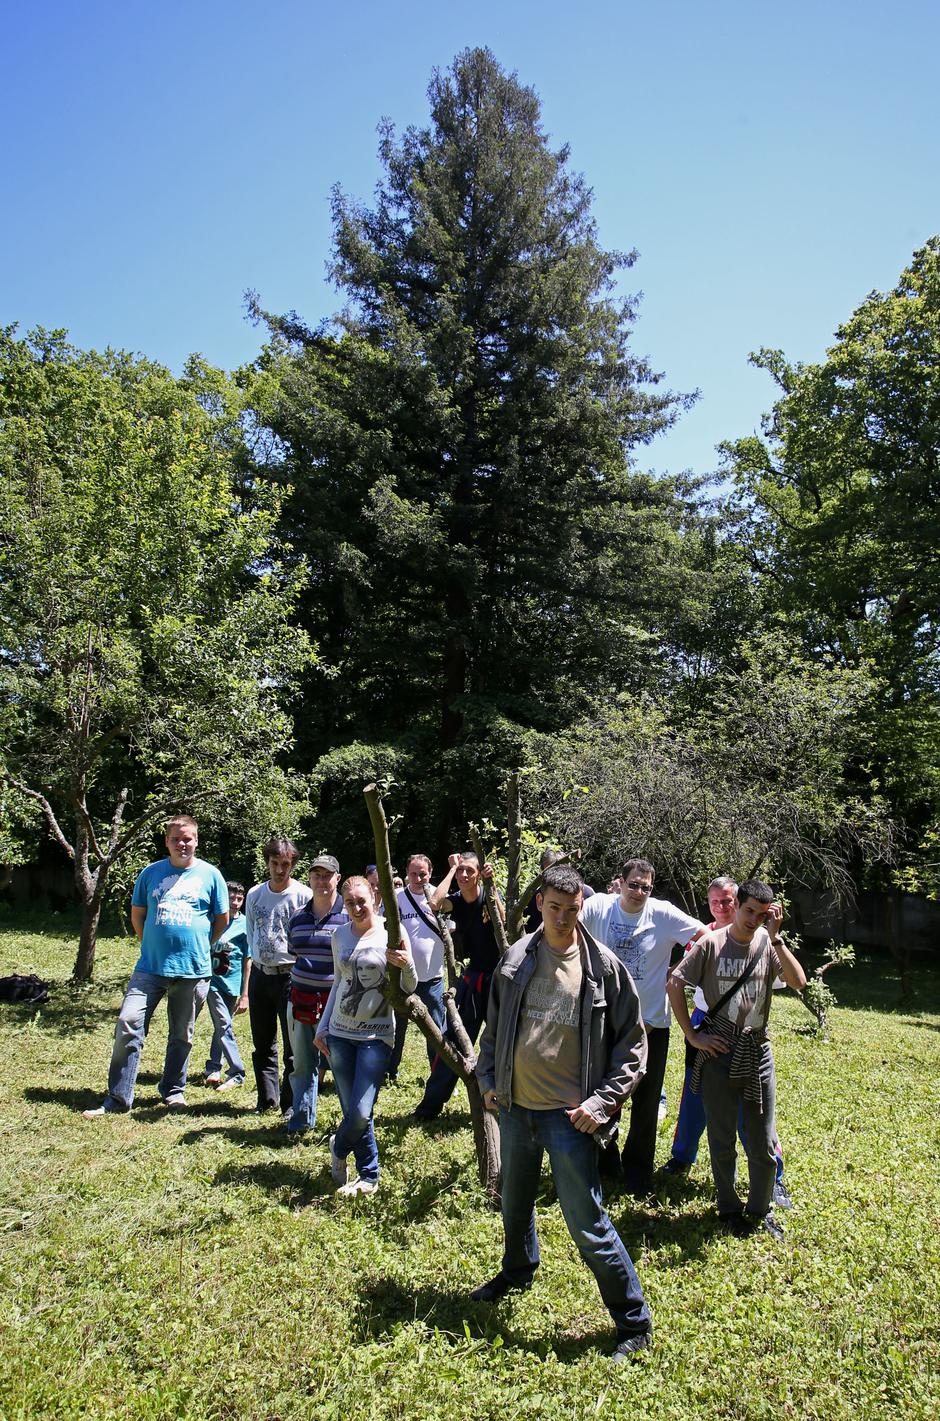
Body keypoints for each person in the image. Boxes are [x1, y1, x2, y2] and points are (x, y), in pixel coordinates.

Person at [473, 863, 653, 1361]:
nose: (562, 919)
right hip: (516, 1111)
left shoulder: (603, 968)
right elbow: (493, 1028)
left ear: (582, 907)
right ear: (539, 904)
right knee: (513, 1204)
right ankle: (517, 1271)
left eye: (572, 911)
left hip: (568, 1119)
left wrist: (602, 1103)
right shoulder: (515, 959)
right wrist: (489, 1081)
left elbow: (633, 1046)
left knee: (588, 1224)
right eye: (554, 908)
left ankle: (632, 1321)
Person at [666, 879, 806, 1238]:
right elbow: (675, 982)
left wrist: (775, 937)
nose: (754, 919)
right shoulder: (711, 944)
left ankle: (760, 1209)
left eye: (762, 914)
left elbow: (798, 981)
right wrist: (692, 1035)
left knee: (761, 1139)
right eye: (749, 911)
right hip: (718, 1051)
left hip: (757, 1050)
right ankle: (728, 1208)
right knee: (722, 1136)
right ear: (737, 905)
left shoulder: (765, 942)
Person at [82, 814, 228, 1116]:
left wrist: (197, 945)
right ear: (167, 841)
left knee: (182, 1035)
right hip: (149, 967)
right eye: (175, 838)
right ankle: (119, 1098)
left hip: (193, 970)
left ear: (197, 840)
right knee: (128, 1024)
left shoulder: (211, 875)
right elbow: (138, 915)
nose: (182, 844)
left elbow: (220, 921)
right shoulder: (150, 873)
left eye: (187, 838)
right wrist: (151, 943)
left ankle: (173, 1091)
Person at [580, 859, 704, 1194]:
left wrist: (679, 971)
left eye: (646, 887)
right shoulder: (598, 906)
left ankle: (638, 1173)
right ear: (620, 883)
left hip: (651, 1027)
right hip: (605, 1020)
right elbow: (567, 930)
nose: (639, 892)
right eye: (634, 884)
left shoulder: (662, 914)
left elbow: (704, 938)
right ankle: (606, 1164)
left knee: (646, 1103)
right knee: (604, 1095)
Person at [314, 875, 416, 1196]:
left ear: (374, 896)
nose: (357, 907)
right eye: (350, 902)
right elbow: (338, 983)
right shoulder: (340, 935)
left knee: (359, 1112)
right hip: (340, 1034)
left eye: (362, 900)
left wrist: (407, 964)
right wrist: (323, 1025)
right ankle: (369, 1175)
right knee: (354, 1111)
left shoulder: (391, 933)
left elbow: (409, 987)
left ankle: (338, 1146)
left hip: (377, 1035)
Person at [412, 850, 503, 1122]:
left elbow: (506, 922)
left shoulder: (488, 897)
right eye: (462, 870)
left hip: (498, 982)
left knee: (501, 1043)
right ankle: (430, 1107)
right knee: (453, 1041)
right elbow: (434, 903)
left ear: (479, 874)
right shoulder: (456, 901)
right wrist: (452, 869)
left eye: (469, 871)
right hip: (471, 982)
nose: (465, 875)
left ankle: (501, 1102)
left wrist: (492, 885)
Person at [244, 837, 312, 1115]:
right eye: (275, 863)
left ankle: (289, 1102)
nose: (280, 869)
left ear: (293, 864)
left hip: (290, 976)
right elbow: (250, 933)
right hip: (260, 974)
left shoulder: (303, 896)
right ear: (267, 863)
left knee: (293, 1045)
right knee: (262, 1042)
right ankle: (266, 1099)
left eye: (285, 864)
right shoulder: (254, 894)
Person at [283, 854, 347, 1137]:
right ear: (309, 878)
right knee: (303, 1063)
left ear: (338, 878)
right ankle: (300, 1120)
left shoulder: (349, 915)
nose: (321, 880)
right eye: (316, 875)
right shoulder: (297, 916)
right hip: (300, 999)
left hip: (337, 1004)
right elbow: (293, 951)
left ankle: (351, 1124)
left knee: (341, 1064)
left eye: (327, 875)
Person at [386, 854, 447, 1084]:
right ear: (406, 872)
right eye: (414, 873)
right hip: (403, 977)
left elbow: (450, 928)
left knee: (435, 1031)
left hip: (433, 978)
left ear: (430, 873)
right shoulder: (398, 898)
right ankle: (390, 1072)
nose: (419, 878)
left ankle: (437, 1074)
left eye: (423, 873)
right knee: (396, 1028)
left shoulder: (439, 897)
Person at [199, 879, 250, 1091]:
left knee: (222, 1025)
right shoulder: (214, 920)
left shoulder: (246, 924)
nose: (236, 902)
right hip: (212, 981)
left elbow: (248, 960)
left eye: (240, 899)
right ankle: (237, 1070)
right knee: (223, 1023)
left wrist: (245, 993)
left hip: (233, 983)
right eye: (231, 898)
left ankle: (213, 1066)